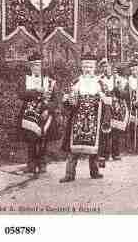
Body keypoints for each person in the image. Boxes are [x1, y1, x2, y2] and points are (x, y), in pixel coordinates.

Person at [60, 53, 109, 183]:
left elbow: (108, 102)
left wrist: (104, 103)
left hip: (94, 118)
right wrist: (68, 100)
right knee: (73, 148)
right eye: (85, 66)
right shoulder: (75, 82)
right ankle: (69, 174)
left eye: (90, 66)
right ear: (82, 67)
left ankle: (94, 171)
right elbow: (66, 101)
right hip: (77, 119)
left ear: (94, 68)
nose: (88, 69)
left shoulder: (101, 83)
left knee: (94, 148)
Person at [17, 52, 59, 175]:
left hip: (44, 114)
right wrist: (35, 91)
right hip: (29, 114)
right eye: (34, 65)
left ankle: (42, 164)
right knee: (31, 139)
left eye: (38, 65)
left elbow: (56, 100)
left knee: (43, 139)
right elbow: (21, 94)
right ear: (30, 66)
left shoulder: (49, 81)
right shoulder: (26, 79)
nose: (36, 67)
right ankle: (31, 165)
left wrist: (48, 110)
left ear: (42, 66)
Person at [98, 60, 129, 166]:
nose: (105, 69)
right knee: (104, 131)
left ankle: (116, 153)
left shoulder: (120, 80)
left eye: (107, 66)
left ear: (111, 67)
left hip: (117, 107)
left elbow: (126, 95)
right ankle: (104, 154)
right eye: (103, 67)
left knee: (116, 131)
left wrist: (119, 89)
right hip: (105, 108)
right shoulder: (99, 80)